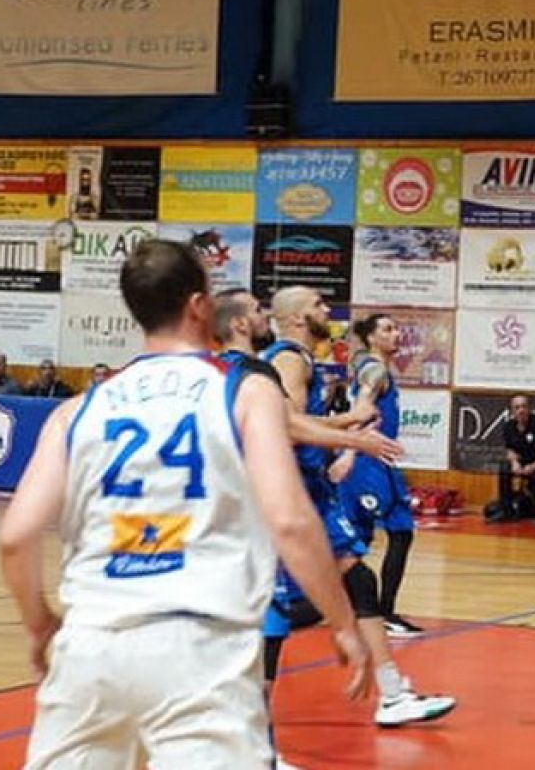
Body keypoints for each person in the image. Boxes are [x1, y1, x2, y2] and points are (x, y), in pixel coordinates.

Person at [0, 239, 374, 767]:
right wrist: (343, 623)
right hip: (201, 645)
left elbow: (15, 536)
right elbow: (289, 521)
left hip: (91, 643)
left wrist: (40, 625)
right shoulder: (243, 391)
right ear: (198, 306)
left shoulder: (78, 409)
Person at [210, 287, 402, 767]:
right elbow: (288, 426)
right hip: (274, 496)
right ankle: (251, 747)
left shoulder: (223, 370)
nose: (264, 316)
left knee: (276, 620)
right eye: (257, 310)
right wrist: (352, 431)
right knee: (273, 621)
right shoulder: (274, 365)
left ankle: (257, 748)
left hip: (247, 499)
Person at [263, 286, 454, 726]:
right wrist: (352, 431)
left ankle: (392, 693)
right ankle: (252, 722)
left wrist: (341, 442)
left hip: (313, 486)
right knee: (283, 607)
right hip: (298, 491)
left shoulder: (300, 359)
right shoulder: (290, 359)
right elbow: (288, 426)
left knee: (352, 584)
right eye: (317, 305)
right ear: (296, 318)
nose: (326, 310)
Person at [331, 314, 424, 639]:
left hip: (372, 461)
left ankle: (348, 607)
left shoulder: (371, 367)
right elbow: (361, 408)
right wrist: (349, 452)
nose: (396, 333)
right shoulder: (376, 371)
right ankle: (381, 612)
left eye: (396, 328)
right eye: (387, 329)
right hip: (367, 462)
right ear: (371, 338)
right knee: (398, 532)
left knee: (360, 538)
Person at [497, 394, 535, 524]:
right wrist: (514, 462)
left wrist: (534, 466)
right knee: (504, 468)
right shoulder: (508, 426)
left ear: (529, 408)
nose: (521, 410)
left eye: (524, 406)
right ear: (512, 411)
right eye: (517, 408)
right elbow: (510, 450)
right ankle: (506, 510)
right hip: (523, 461)